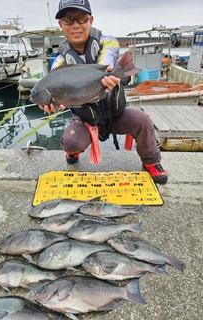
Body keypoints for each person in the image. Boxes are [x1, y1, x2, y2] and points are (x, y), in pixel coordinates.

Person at [39, 0, 167, 184]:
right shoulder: (59, 62)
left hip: (116, 113)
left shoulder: (108, 41)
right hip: (86, 118)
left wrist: (110, 75)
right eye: (68, 19)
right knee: (70, 142)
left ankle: (152, 162)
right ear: (61, 24)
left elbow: (107, 64)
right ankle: (73, 151)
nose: (76, 25)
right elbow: (54, 84)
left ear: (91, 20)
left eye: (81, 18)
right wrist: (52, 104)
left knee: (143, 121)